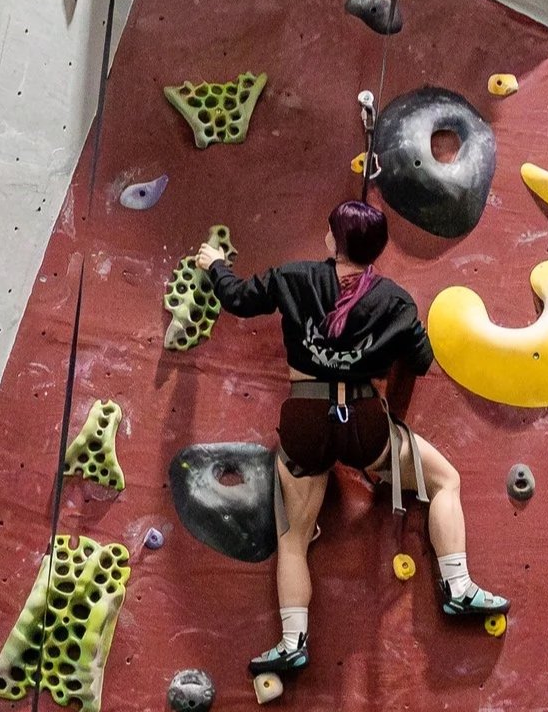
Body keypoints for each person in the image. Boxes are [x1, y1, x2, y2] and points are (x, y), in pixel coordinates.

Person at [200, 199, 506, 685]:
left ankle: (292, 640)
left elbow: (237, 298)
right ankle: (458, 586)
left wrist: (214, 265)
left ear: (332, 240)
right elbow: (421, 361)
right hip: (363, 422)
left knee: (293, 538)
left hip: (304, 419)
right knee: (446, 480)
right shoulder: (396, 300)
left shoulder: (294, 277)